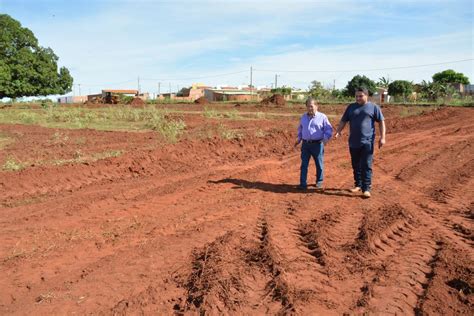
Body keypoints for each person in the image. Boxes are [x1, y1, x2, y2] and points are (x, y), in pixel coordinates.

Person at [334, 87, 386, 198]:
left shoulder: (373, 107)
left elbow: (381, 122)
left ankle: (366, 188)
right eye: (356, 96)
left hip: (367, 141)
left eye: (360, 96)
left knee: (366, 164)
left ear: (367, 96)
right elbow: (344, 120)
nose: (358, 98)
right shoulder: (351, 107)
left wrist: (382, 137)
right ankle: (358, 184)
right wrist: (338, 131)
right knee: (355, 164)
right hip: (353, 141)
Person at [295, 97, 333, 190]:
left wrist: (325, 138)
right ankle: (302, 183)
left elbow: (328, 129)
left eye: (311, 106)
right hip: (305, 144)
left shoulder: (322, 117)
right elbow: (300, 129)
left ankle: (319, 182)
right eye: (308, 106)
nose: (310, 108)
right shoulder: (303, 117)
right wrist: (299, 139)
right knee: (304, 164)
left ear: (316, 106)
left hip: (318, 144)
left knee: (319, 164)